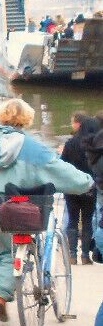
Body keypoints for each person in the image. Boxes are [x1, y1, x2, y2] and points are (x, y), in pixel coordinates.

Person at [0, 97, 94, 323]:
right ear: (26, 119)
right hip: (4, 204)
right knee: (8, 251)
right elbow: (59, 170)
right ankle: (1, 295)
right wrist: (87, 182)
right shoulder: (32, 147)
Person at [60, 112, 99, 264]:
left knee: (73, 220)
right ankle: (85, 256)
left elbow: (62, 164)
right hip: (90, 186)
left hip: (71, 186)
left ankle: (72, 255)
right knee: (88, 221)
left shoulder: (70, 143)